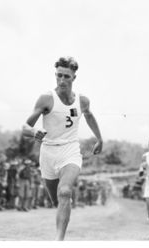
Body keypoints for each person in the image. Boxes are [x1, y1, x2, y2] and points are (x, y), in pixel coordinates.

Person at [21, 56, 103, 240]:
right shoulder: (46, 99)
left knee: (65, 191)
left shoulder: (82, 100)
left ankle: (59, 240)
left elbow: (88, 116)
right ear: (55, 75)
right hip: (48, 152)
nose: (62, 80)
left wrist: (99, 138)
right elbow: (25, 127)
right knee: (57, 200)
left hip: (70, 150)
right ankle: (64, 206)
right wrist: (34, 133)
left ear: (74, 77)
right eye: (59, 76)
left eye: (67, 76)